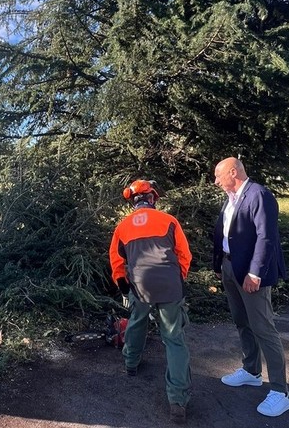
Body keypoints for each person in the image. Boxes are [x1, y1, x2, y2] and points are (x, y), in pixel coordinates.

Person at [212, 157, 289, 417]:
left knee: (263, 328)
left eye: (218, 175)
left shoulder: (259, 195)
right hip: (230, 268)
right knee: (241, 322)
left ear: (233, 172)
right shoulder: (232, 198)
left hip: (250, 274)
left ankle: (281, 391)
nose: (216, 181)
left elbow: (266, 237)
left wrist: (255, 273)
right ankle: (251, 371)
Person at [109, 179, 193, 424]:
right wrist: (179, 279)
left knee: (136, 321)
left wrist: (123, 284)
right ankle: (178, 401)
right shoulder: (169, 221)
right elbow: (184, 255)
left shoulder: (122, 227)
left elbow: (116, 261)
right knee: (174, 340)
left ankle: (131, 363)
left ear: (132, 202)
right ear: (153, 199)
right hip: (169, 286)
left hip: (139, 285)